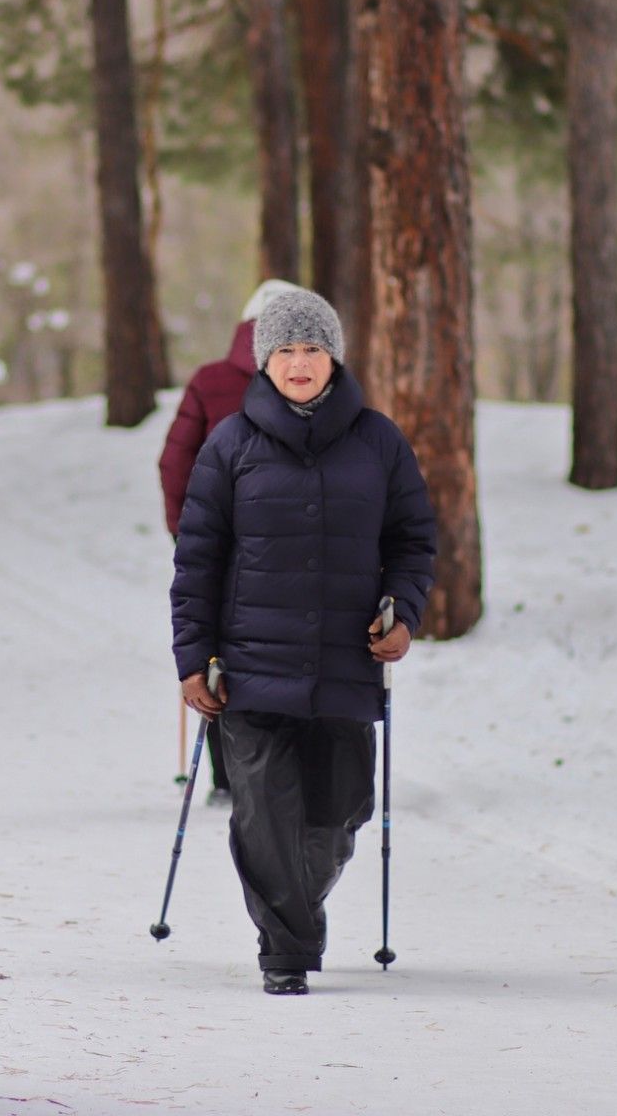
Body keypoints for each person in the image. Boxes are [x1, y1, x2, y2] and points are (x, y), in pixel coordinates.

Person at [170, 289, 437, 996]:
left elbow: (413, 540)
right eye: (285, 350)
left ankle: (295, 908)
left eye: (312, 348)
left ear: (333, 357)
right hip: (252, 668)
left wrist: (402, 613)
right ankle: (285, 949)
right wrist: (192, 660)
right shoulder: (230, 444)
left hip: (345, 665)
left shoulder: (379, 441)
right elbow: (197, 559)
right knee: (263, 815)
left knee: (340, 809)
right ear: (264, 359)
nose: (299, 363)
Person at [158, 278, 301, 803]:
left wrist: (184, 532)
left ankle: (226, 777)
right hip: (294, 540)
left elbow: (175, 461)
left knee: (218, 649)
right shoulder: (310, 381)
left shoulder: (210, 380)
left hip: (218, 540)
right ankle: (289, 769)